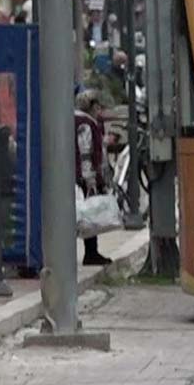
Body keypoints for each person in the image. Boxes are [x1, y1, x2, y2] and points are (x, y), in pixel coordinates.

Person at [74, 90, 113, 266]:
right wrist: (91, 180)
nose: (100, 111)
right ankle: (91, 253)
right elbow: (85, 152)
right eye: (98, 107)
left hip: (77, 175)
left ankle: (91, 252)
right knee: (88, 214)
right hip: (83, 176)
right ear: (93, 106)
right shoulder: (86, 124)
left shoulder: (75, 120)